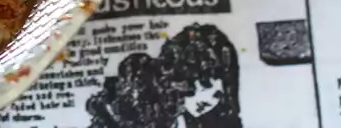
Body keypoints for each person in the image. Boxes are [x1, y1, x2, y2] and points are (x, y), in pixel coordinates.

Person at [87, 23, 240, 128]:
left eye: (224, 82)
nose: (217, 95)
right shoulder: (131, 111)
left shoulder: (206, 121)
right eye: (204, 82)